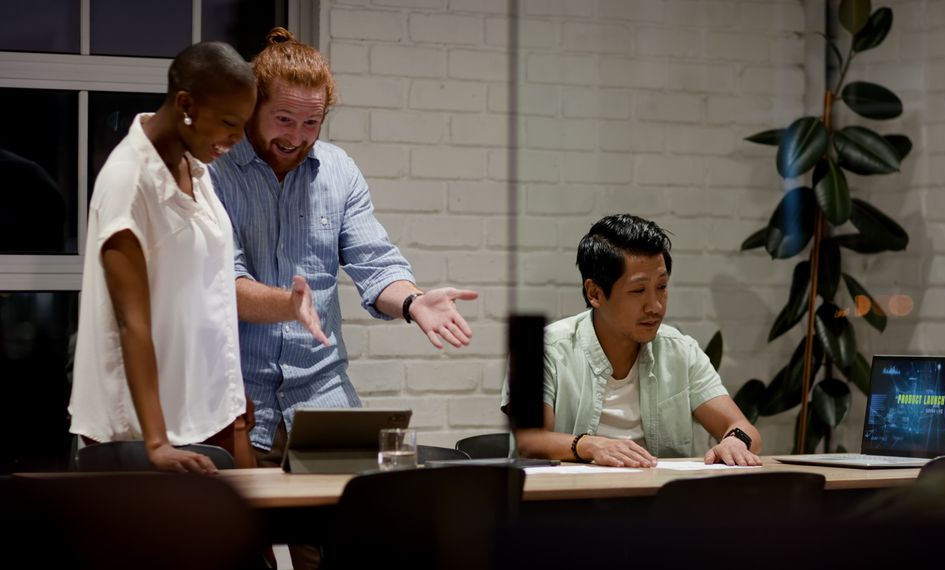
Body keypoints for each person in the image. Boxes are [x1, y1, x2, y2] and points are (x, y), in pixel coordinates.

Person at [210, 28, 478, 468]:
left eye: (311, 123)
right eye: (283, 119)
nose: (297, 136)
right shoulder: (217, 170)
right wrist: (288, 305)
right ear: (253, 106)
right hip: (238, 401)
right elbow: (223, 284)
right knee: (237, 534)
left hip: (322, 400)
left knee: (346, 533)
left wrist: (413, 301)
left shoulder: (337, 171)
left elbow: (375, 261)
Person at [68, 42, 259, 473]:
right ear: (186, 104)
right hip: (145, 430)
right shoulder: (128, 180)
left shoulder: (195, 170)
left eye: (243, 124)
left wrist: (230, 391)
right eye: (230, 123)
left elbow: (203, 288)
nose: (237, 138)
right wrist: (155, 444)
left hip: (206, 410)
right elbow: (130, 320)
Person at [506, 214, 763, 467]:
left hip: (659, 502)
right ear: (594, 293)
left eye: (662, 287)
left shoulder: (681, 352)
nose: (655, 306)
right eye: (638, 290)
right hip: (567, 503)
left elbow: (741, 427)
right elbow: (529, 439)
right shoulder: (540, 348)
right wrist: (591, 445)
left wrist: (735, 442)